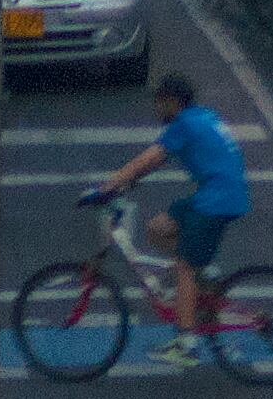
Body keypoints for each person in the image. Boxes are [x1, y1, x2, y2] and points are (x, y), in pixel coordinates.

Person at [91, 74, 249, 369]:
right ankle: (207, 272)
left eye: (159, 102)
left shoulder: (183, 125)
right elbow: (153, 164)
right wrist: (130, 182)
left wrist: (105, 189)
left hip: (217, 201)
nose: (156, 108)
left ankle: (185, 345)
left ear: (173, 103)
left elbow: (145, 161)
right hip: (217, 193)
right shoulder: (201, 116)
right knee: (158, 229)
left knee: (185, 267)